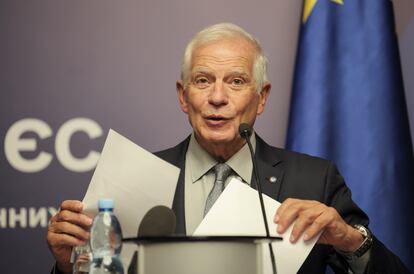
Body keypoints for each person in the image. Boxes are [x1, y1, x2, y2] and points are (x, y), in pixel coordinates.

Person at [47, 23, 409, 273]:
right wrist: (67, 266)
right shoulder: (132, 180)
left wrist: (348, 240)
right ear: (183, 96)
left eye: (236, 81)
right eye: (203, 80)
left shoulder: (314, 179)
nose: (217, 98)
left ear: (261, 97)